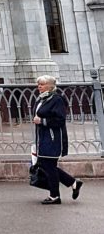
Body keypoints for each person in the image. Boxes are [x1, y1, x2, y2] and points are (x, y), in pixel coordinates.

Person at [33, 74, 82, 204]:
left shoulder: (56, 99)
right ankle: (73, 183)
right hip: (43, 137)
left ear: (50, 86)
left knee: (48, 165)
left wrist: (42, 121)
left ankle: (55, 195)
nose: (39, 87)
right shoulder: (41, 99)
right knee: (47, 165)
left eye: (42, 84)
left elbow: (60, 120)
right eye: (38, 84)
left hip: (53, 138)